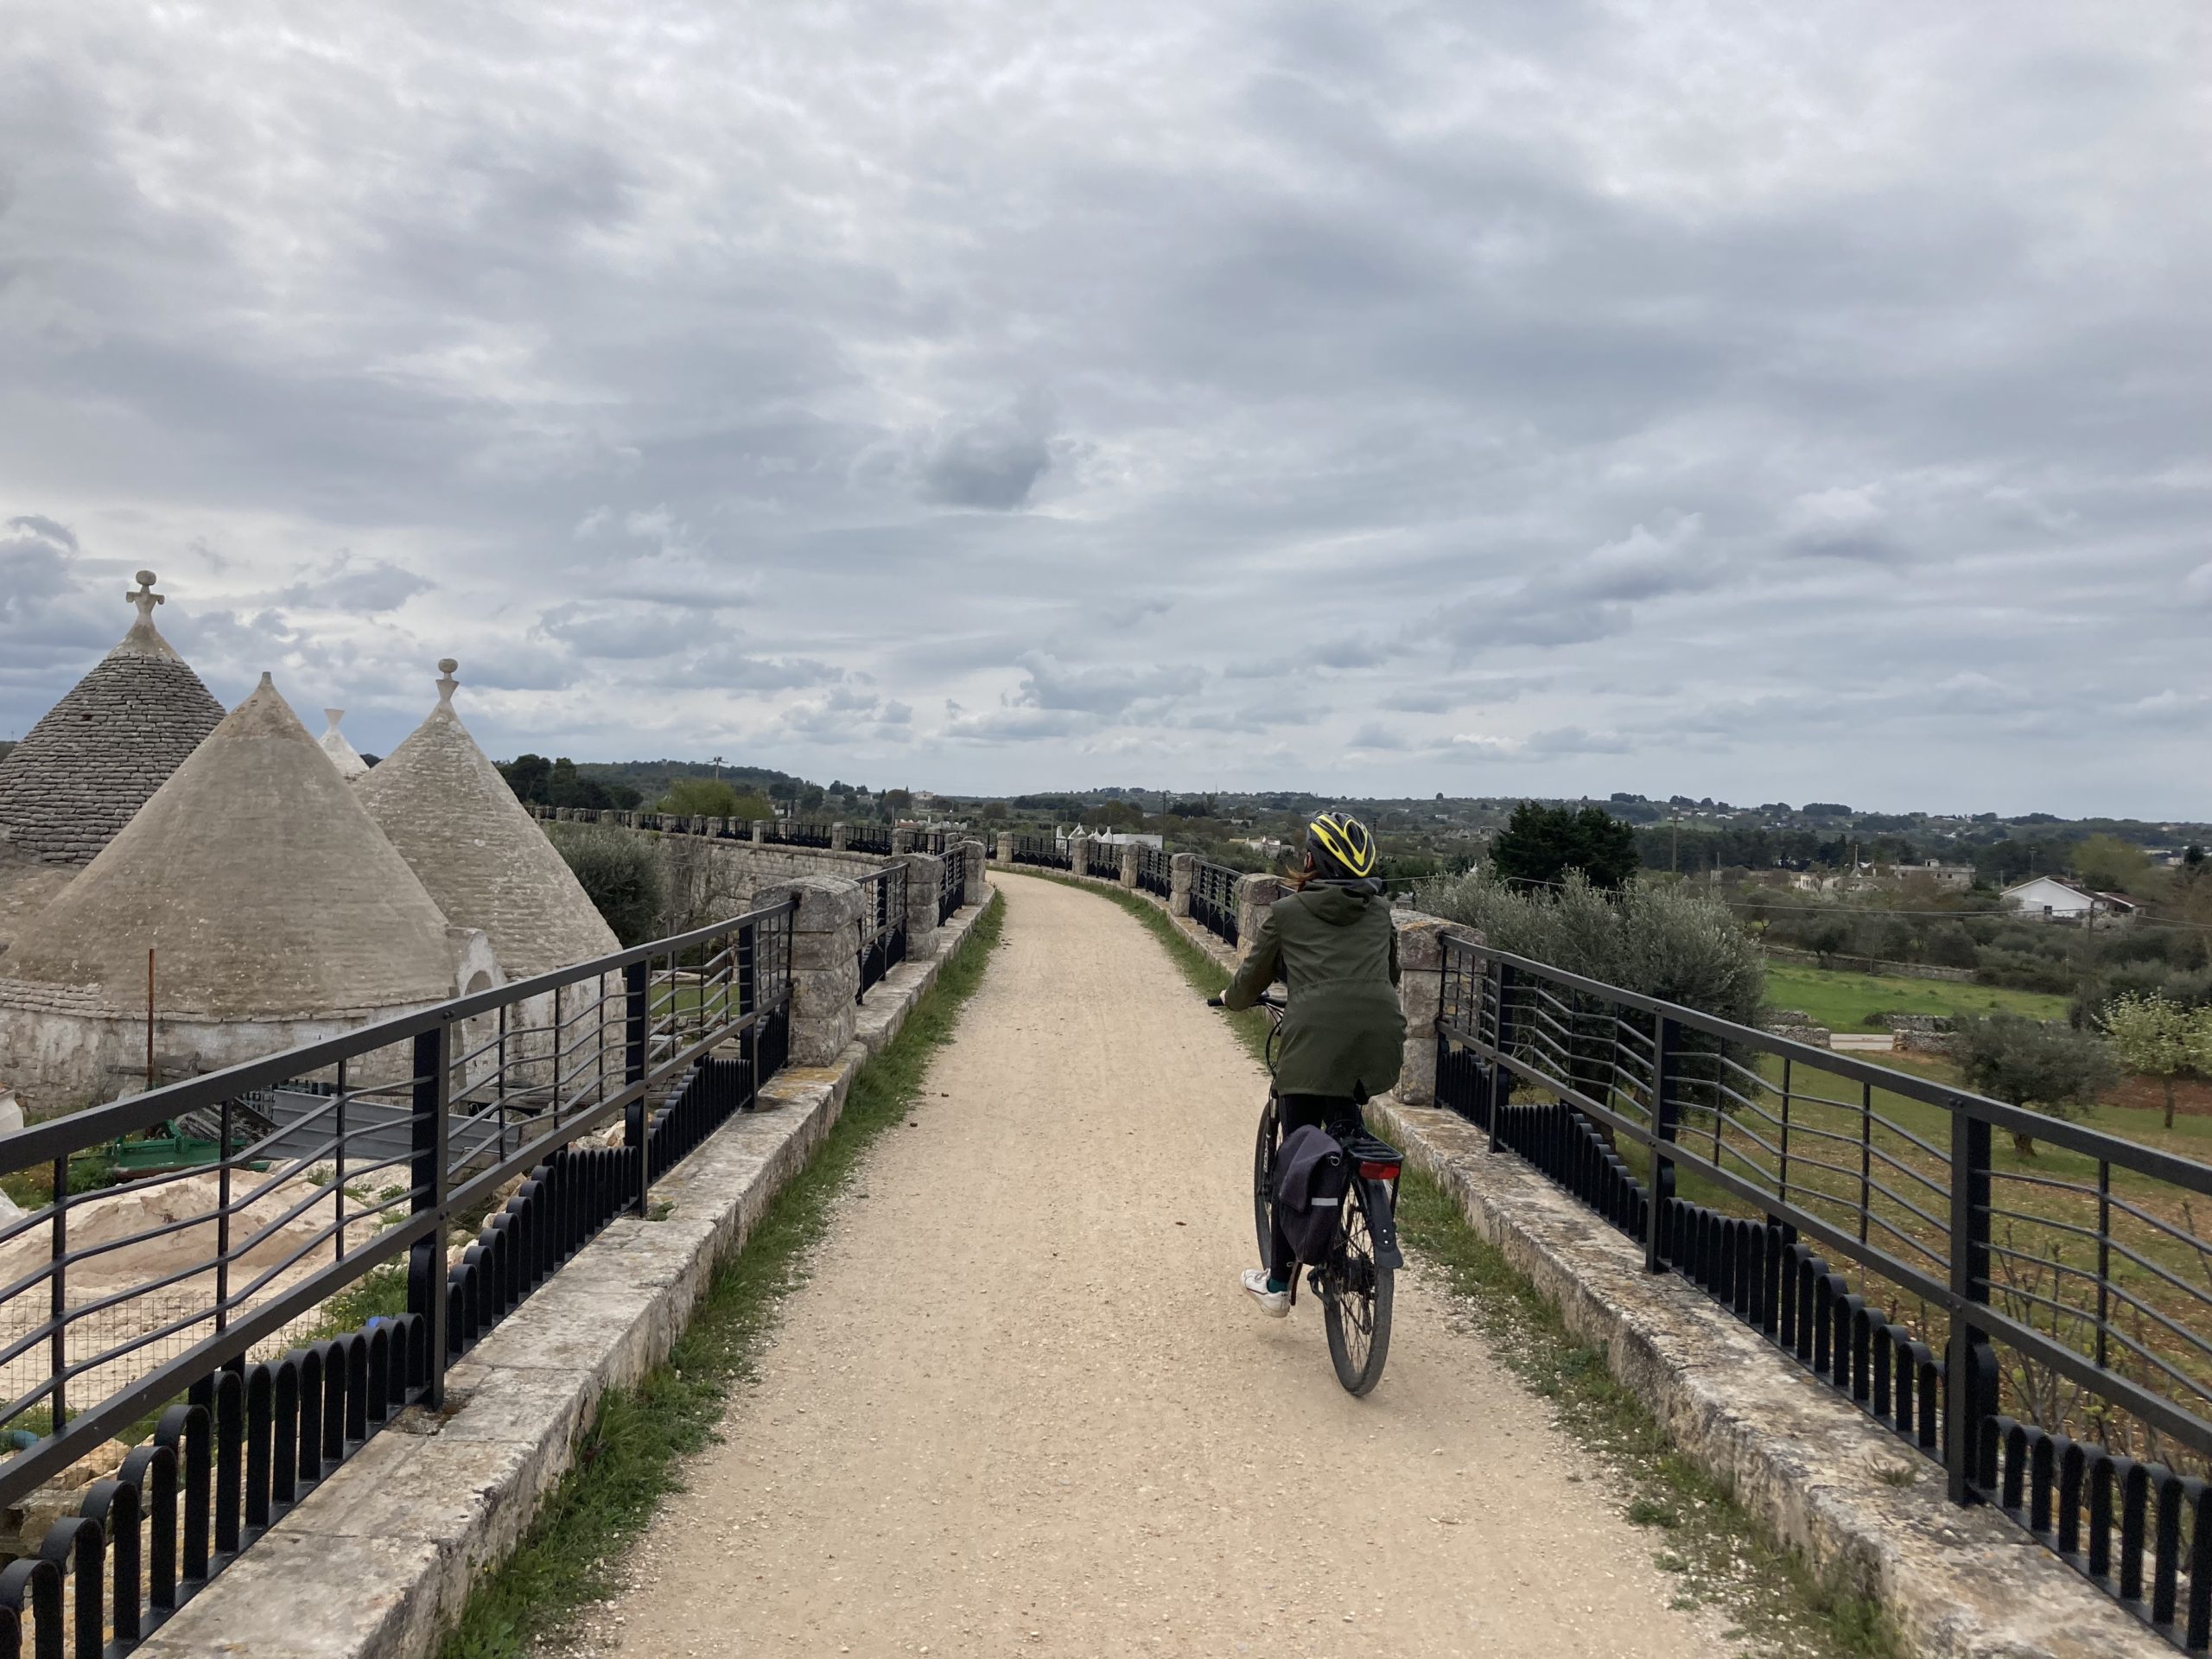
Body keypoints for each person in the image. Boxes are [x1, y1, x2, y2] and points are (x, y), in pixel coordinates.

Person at [1219, 810, 1404, 1316]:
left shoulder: (1288, 913)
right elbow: (1390, 973)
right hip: (1378, 1038)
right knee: (1346, 1118)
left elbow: (1251, 980)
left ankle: (1278, 1285)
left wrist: (1230, 998)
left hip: (1311, 1044)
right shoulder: (1380, 912)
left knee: (1295, 1159)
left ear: (1310, 860)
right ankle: (1355, 1212)